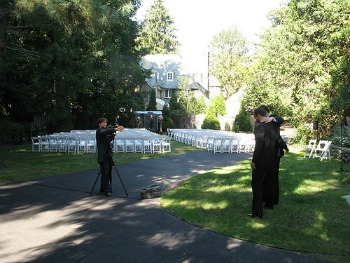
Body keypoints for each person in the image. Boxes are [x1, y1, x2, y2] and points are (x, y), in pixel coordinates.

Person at [250, 107, 278, 219]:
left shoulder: (260, 127)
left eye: (254, 117)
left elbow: (259, 146)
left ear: (258, 116)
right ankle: (269, 204)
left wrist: (254, 161)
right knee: (267, 183)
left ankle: (257, 212)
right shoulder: (272, 125)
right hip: (271, 160)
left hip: (261, 161)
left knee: (256, 185)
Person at [260, 105, 288, 206]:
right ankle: (265, 197)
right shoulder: (262, 121)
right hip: (266, 152)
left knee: (273, 177)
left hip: (275, 152)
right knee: (266, 177)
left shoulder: (273, 117)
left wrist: (271, 118)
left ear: (266, 112)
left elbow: (281, 119)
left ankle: (273, 199)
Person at [96, 117, 124, 197]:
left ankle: (104, 188)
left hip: (108, 155)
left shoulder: (105, 131)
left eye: (106, 122)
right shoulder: (99, 131)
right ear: (99, 124)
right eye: (103, 122)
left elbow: (110, 138)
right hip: (103, 156)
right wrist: (115, 129)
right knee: (105, 173)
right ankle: (106, 189)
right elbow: (105, 132)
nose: (105, 124)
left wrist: (114, 134)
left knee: (108, 172)